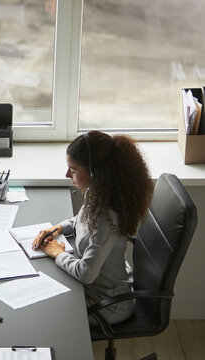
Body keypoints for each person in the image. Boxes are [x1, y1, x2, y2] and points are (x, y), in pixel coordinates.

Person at [32, 130, 153, 324]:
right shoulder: (97, 193)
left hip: (107, 304)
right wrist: (57, 229)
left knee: (47, 315)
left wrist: (57, 253)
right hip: (95, 289)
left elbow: (86, 274)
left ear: (95, 173)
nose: (66, 174)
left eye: (73, 169)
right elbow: (79, 221)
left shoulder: (107, 218)